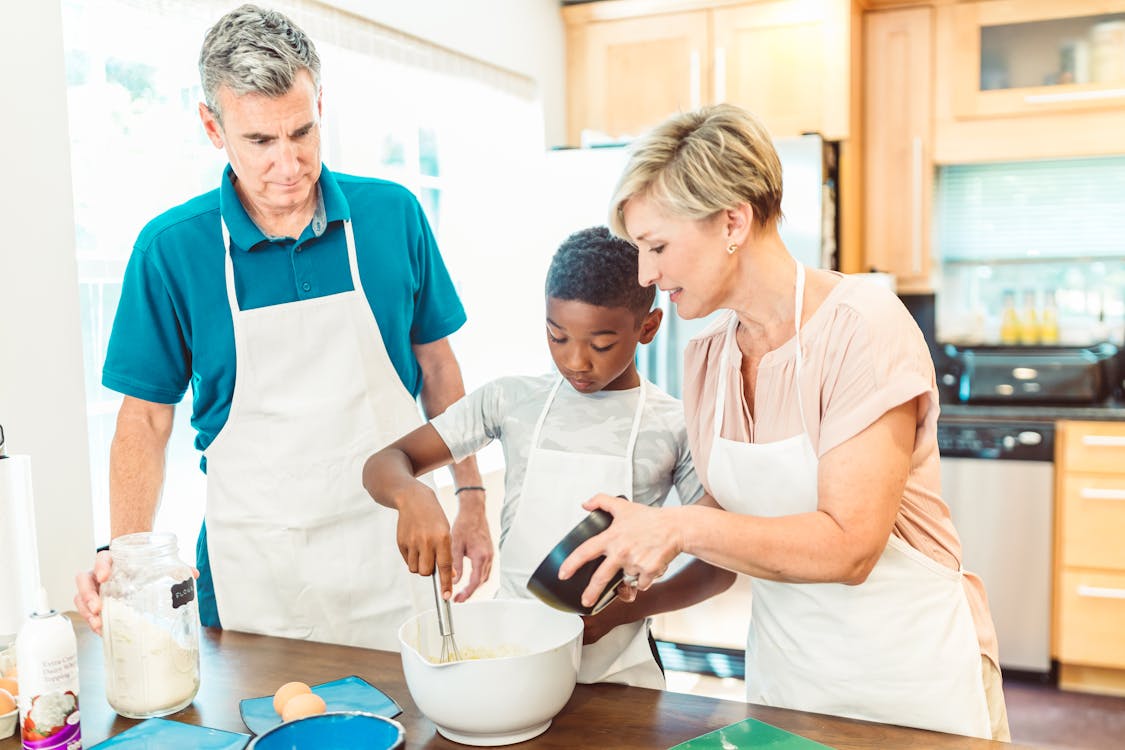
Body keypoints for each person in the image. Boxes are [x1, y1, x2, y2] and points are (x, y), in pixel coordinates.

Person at [558, 104, 1010, 740]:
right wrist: (625, 609)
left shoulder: (861, 328)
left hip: (909, 682)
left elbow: (851, 547)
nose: (645, 275)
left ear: (733, 221)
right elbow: (724, 551)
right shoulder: (707, 356)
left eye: (657, 246)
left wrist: (678, 525)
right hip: (789, 684)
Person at [73, 4, 491, 651]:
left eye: (302, 131)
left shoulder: (393, 217)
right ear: (213, 127)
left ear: (320, 102)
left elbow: (437, 369)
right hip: (256, 574)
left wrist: (470, 497)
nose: (289, 165)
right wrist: (128, 562)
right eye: (260, 142)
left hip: (394, 553)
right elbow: (145, 421)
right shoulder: (172, 250)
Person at [363, 226, 736, 689]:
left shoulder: (675, 426)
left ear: (647, 328)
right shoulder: (510, 401)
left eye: (600, 345)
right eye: (557, 337)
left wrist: (626, 610)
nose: (576, 361)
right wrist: (410, 492)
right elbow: (386, 461)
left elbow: (719, 567)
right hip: (512, 657)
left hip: (617, 673)